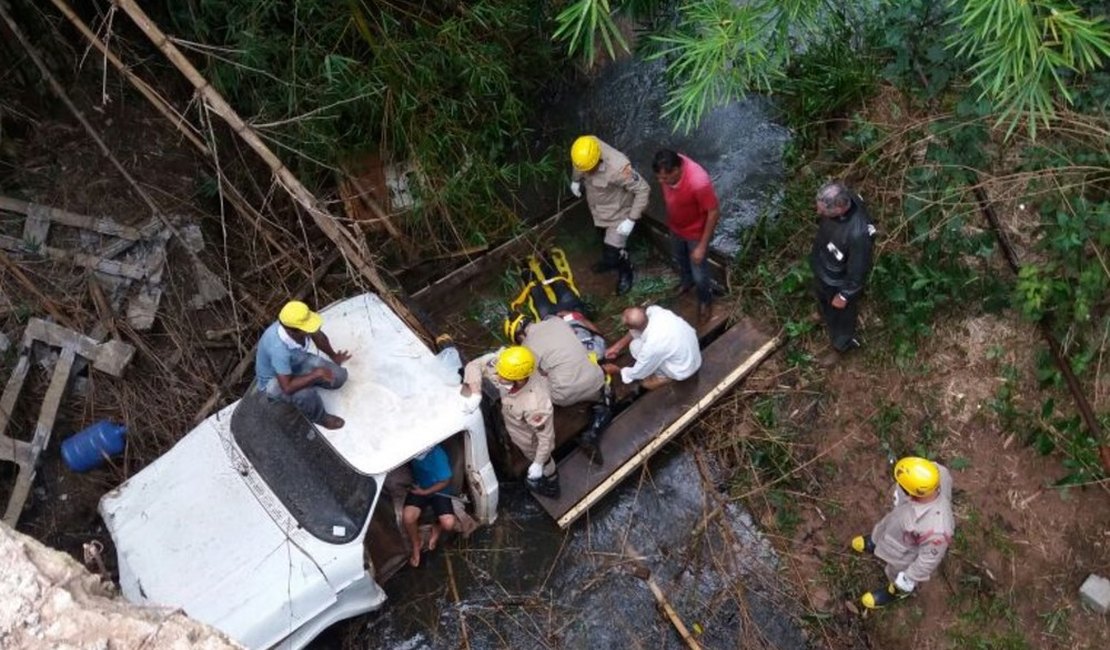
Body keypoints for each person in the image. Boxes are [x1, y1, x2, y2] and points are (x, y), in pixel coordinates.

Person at [505, 313, 611, 462]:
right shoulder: (556, 321)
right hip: (595, 380)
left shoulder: (526, 348)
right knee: (604, 399)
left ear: (519, 335)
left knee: (536, 380)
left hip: (564, 396)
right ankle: (593, 432)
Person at [851, 457, 954, 609]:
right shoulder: (936, 472)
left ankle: (895, 591)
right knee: (885, 526)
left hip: (904, 552)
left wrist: (909, 578)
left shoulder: (937, 530)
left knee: (896, 571)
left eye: (902, 487)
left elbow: (928, 560)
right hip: (897, 522)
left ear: (915, 493)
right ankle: (875, 541)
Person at [461, 346, 560, 498]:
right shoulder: (507, 363)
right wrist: (475, 392)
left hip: (529, 438)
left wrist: (539, 462)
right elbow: (474, 365)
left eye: (503, 377)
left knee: (544, 461)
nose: (497, 377)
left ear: (519, 380)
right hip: (512, 423)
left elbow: (546, 438)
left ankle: (552, 483)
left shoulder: (536, 405)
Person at [570, 135, 650, 295]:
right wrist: (576, 179)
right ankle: (609, 259)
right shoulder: (584, 149)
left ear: (597, 159)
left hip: (618, 214)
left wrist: (631, 219)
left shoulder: (618, 169)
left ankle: (626, 271)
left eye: (586, 170)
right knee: (603, 240)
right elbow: (578, 165)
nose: (584, 171)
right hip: (598, 210)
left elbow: (643, 189)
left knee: (614, 253)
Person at [255, 300, 350, 429]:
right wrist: (316, 374)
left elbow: (318, 336)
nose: (311, 329)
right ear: (292, 331)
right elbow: (287, 387)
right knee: (305, 395)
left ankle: (307, 381)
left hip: (295, 362)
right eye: (307, 328)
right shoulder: (278, 350)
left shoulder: (294, 324)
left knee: (339, 376)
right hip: (276, 381)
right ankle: (321, 418)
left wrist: (333, 355)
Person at [809, 181, 875, 365]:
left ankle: (841, 345)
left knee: (841, 315)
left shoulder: (857, 234)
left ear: (839, 208)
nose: (819, 213)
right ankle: (823, 314)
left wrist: (845, 295)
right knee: (821, 296)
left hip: (837, 280)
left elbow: (858, 269)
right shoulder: (845, 197)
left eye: (823, 211)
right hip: (824, 264)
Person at [652, 149, 721, 322]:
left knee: (700, 273)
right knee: (679, 257)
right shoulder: (669, 165)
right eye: (659, 178)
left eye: (664, 178)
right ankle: (686, 282)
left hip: (695, 233)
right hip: (676, 227)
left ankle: (705, 299)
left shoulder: (699, 182)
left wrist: (702, 246)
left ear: (676, 171)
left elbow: (713, 212)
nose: (661, 182)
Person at [602, 305, 701, 391]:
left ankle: (664, 377)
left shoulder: (652, 346)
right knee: (642, 347)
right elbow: (638, 328)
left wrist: (618, 371)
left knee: (646, 381)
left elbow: (639, 372)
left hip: (684, 369)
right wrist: (617, 346)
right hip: (692, 351)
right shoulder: (655, 311)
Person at [402, 444, 457, 568]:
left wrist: (425, 492)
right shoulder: (410, 450)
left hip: (440, 491)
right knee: (408, 517)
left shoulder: (438, 455)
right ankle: (416, 542)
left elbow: (445, 481)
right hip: (419, 486)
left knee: (448, 523)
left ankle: (437, 527)